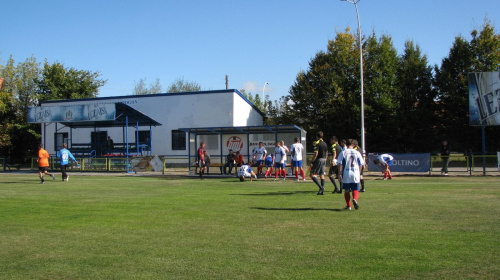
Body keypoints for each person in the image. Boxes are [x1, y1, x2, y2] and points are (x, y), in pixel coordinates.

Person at [338, 139, 365, 210]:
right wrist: (359, 173)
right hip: (355, 173)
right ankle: (355, 199)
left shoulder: (343, 152)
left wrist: (339, 174)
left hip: (346, 173)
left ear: (346, 144)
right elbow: (361, 164)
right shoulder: (357, 153)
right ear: (353, 145)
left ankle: (349, 206)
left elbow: (340, 164)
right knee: (355, 189)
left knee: (346, 190)